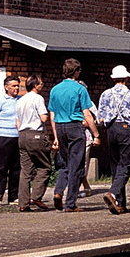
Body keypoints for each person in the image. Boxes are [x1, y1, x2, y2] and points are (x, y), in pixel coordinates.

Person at [48, 58, 99, 212]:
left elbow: (52, 113)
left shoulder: (55, 89)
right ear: (76, 72)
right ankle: (70, 202)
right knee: (76, 165)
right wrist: (96, 134)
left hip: (60, 126)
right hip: (75, 127)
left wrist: (55, 135)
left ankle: (58, 191)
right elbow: (87, 114)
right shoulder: (80, 89)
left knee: (64, 162)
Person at [95, 64, 130, 215]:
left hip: (111, 130)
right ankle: (113, 192)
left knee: (116, 165)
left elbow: (100, 118)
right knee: (127, 164)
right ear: (126, 79)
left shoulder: (105, 94)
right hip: (125, 129)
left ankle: (120, 203)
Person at [14, 75, 54, 211]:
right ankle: (36, 196)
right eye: (41, 83)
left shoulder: (20, 100)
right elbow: (43, 118)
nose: (42, 85)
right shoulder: (38, 98)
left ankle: (23, 203)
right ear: (35, 85)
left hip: (22, 135)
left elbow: (17, 121)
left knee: (25, 170)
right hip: (35, 134)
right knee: (45, 166)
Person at [0, 75, 22, 205]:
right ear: (6, 87)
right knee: (1, 167)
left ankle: (13, 196)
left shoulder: (21, 100)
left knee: (16, 167)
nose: (16, 88)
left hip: (17, 137)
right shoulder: (0, 101)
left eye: (18, 86)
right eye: (13, 86)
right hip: (3, 137)